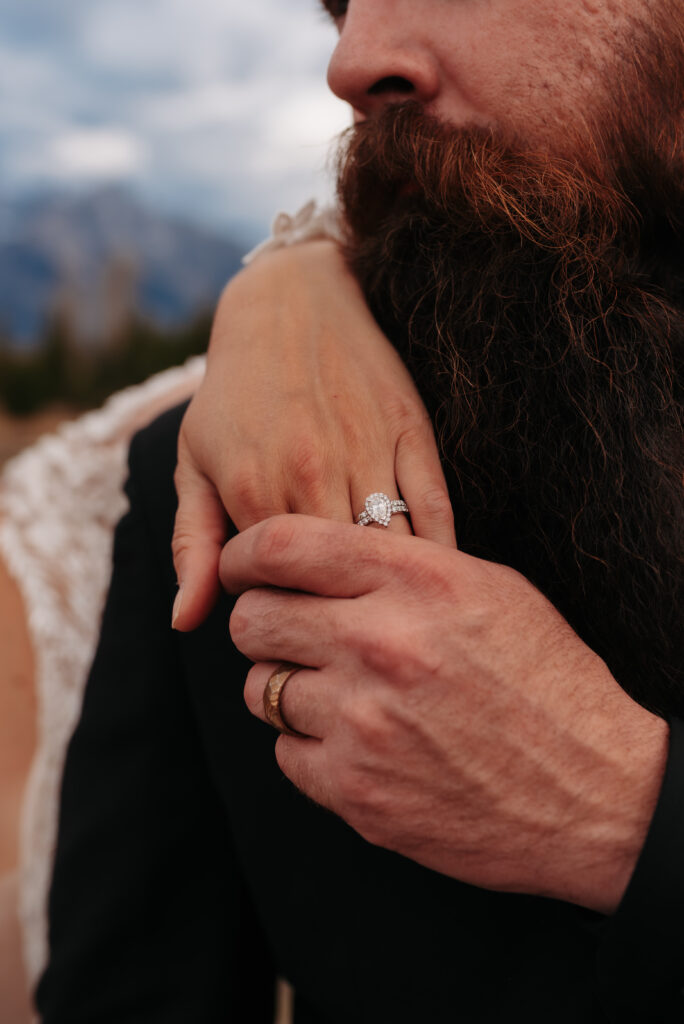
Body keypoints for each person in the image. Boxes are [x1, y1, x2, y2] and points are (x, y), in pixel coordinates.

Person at [37, 0, 684, 1021]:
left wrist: (621, 817)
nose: (350, 58)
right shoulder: (230, 486)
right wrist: (286, 274)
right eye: (340, 2)